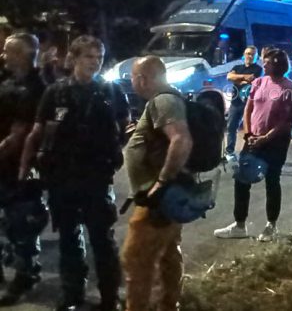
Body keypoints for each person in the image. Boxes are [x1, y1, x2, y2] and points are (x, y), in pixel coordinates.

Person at [19, 35, 130, 311]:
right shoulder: (55, 92)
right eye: (89, 57)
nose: (95, 63)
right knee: (68, 237)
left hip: (96, 177)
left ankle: (108, 296)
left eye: (99, 58)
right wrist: (25, 167)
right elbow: (38, 130)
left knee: (102, 240)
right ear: (74, 59)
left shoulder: (111, 91)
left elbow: (126, 125)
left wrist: (113, 151)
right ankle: (72, 294)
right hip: (63, 177)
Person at [121, 55, 193, 311]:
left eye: (132, 78)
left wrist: (160, 183)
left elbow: (181, 140)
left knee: (136, 258)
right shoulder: (166, 99)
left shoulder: (163, 100)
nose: (132, 83)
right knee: (168, 253)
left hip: (158, 198)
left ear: (142, 79)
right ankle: (168, 304)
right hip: (169, 195)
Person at [214, 48, 292, 241]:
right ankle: (239, 224)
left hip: (275, 143)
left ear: (277, 64)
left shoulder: (289, 88)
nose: (264, 65)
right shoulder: (259, 82)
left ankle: (271, 225)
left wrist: (266, 138)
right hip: (252, 140)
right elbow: (249, 108)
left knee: (272, 181)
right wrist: (249, 133)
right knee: (242, 178)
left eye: (267, 62)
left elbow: (286, 121)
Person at [0, 34, 47, 306]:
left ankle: (25, 274)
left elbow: (19, 133)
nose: (4, 56)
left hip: (23, 168)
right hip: (4, 168)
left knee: (22, 224)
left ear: (25, 54)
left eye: (9, 51)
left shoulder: (36, 89)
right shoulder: (6, 81)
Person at [225, 46, 262, 163]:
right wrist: (244, 77)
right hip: (235, 103)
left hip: (249, 104)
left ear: (256, 57)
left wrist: (237, 78)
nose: (249, 56)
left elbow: (252, 80)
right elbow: (229, 76)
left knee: (249, 129)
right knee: (231, 127)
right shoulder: (237, 67)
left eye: (252, 54)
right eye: (247, 53)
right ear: (244, 54)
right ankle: (229, 151)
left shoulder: (258, 69)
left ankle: (248, 153)